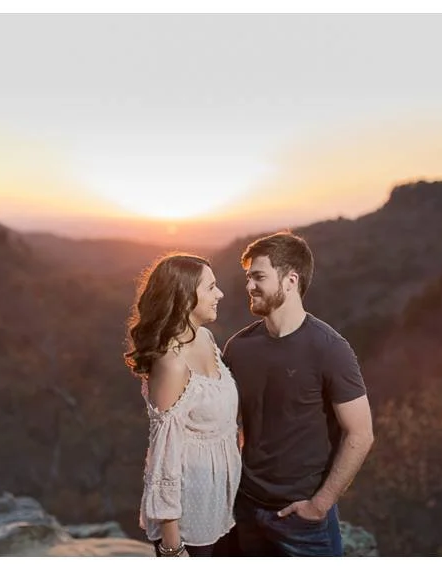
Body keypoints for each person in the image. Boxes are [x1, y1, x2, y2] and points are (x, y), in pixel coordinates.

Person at [222, 231, 375, 556]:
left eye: (258, 277)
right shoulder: (238, 348)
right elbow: (226, 423)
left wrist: (320, 504)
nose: (249, 286)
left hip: (304, 521)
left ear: (290, 280)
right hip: (245, 510)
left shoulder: (329, 349)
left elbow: (360, 434)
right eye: (248, 277)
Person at [124, 253, 241, 557]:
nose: (220, 294)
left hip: (222, 509)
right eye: (211, 287)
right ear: (186, 297)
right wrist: (172, 546)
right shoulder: (171, 364)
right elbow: (163, 458)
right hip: (189, 521)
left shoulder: (205, 338)